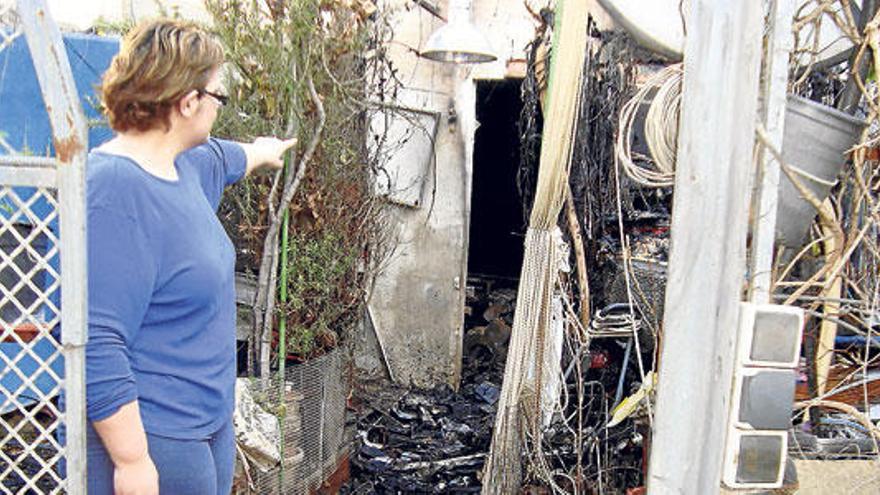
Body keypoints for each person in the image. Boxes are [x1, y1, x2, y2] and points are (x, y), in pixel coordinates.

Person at [83, 19, 295, 495]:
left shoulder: (186, 166)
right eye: (219, 96)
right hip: (155, 440)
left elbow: (227, 157)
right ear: (188, 101)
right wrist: (132, 460)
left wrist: (263, 151)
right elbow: (96, 340)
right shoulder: (114, 190)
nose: (219, 108)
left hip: (206, 423)